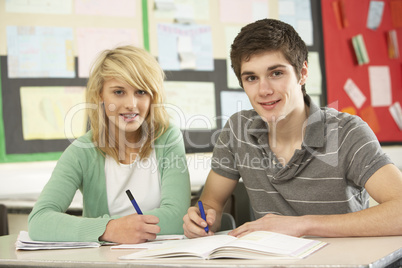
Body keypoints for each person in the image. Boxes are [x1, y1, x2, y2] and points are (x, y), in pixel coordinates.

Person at [183, 19, 402, 238]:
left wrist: (303, 225)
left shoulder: (347, 133)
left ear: (303, 72)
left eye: (276, 73)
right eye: (251, 78)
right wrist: (202, 220)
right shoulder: (237, 130)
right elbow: (211, 204)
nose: (264, 90)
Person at [28, 45, 191, 244]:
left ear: (153, 96)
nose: (131, 103)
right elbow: (39, 221)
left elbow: (177, 218)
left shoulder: (168, 138)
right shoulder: (82, 151)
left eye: (141, 92)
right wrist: (110, 229)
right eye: (119, 92)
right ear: (100, 95)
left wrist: (122, 228)